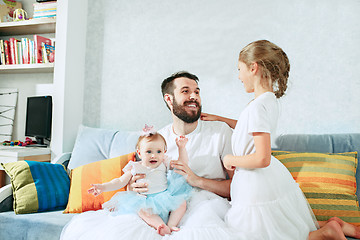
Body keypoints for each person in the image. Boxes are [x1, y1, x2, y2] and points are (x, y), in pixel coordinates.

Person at [201, 40, 360, 240]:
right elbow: (248, 127)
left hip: (254, 179)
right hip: (266, 178)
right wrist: (220, 119)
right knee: (280, 225)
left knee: (261, 233)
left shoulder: (257, 107)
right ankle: (330, 229)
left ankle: (326, 233)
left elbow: (262, 158)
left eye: (240, 69)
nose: (239, 76)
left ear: (253, 68)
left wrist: (229, 160)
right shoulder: (267, 100)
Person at [87, 126, 192, 236]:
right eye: (148, 151)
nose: (153, 155)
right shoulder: (135, 167)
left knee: (181, 202)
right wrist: (102, 187)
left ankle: (171, 225)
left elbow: (182, 165)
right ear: (139, 153)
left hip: (165, 197)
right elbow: (119, 181)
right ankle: (160, 225)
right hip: (145, 200)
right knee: (141, 210)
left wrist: (181, 148)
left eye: (158, 151)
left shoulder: (164, 163)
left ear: (164, 152)